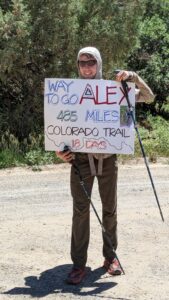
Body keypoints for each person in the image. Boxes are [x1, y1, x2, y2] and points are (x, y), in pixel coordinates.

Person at [56, 46, 154, 284]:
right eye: (82, 62)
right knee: (80, 212)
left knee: (109, 210)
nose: (87, 66)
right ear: (78, 65)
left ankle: (110, 258)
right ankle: (79, 264)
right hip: (80, 160)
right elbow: (58, 126)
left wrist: (134, 77)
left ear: (99, 63)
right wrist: (60, 150)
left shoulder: (116, 90)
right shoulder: (68, 92)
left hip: (108, 160)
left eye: (91, 62)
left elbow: (149, 97)